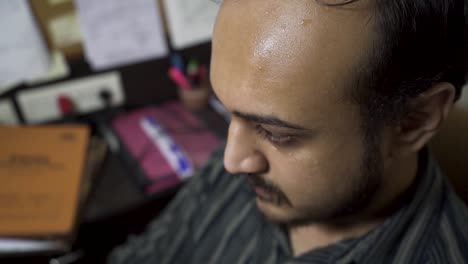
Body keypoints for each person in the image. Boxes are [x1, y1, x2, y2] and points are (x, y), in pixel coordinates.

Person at [108, 0, 468, 263]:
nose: (232, 160)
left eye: (276, 134)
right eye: (228, 111)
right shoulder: (246, 163)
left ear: (414, 121)